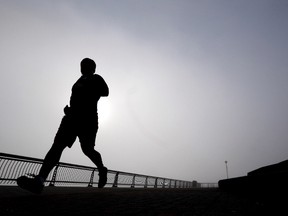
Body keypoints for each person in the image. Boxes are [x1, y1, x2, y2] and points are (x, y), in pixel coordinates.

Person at [17, 58, 109, 193]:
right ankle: (40, 180)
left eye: (86, 65)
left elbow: (105, 92)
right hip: (71, 119)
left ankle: (101, 168)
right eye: (81, 65)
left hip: (88, 120)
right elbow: (76, 99)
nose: (83, 67)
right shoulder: (78, 81)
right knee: (57, 147)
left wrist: (88, 92)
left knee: (87, 149)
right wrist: (69, 110)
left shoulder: (96, 78)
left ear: (93, 68)